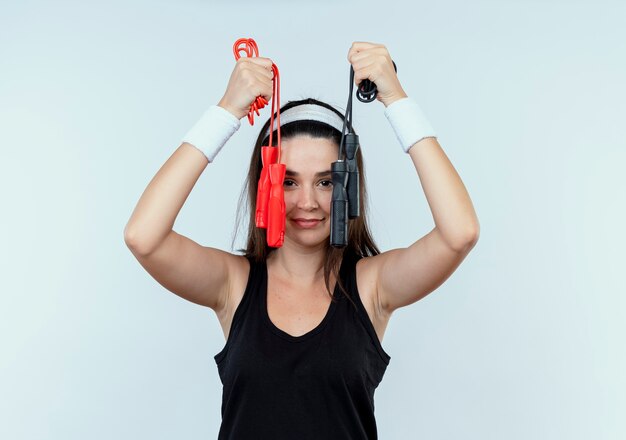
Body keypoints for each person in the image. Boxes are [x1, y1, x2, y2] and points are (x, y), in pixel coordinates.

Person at [124, 41, 480, 439]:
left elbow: (459, 233)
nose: (307, 202)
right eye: (289, 181)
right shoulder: (233, 283)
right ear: (265, 185)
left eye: (326, 182)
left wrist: (395, 99)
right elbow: (144, 237)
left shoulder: (372, 286)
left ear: (349, 187)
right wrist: (226, 112)